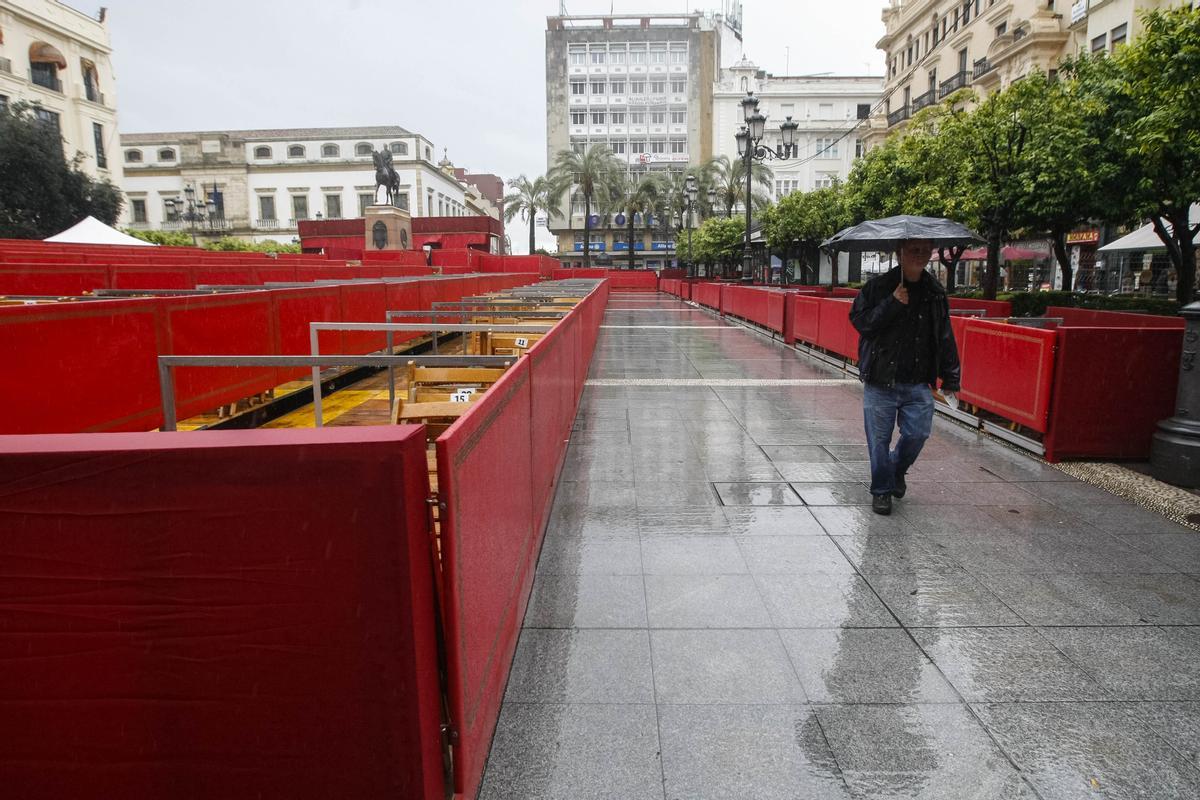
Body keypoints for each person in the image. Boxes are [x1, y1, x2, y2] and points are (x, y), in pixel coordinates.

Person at [849, 239, 962, 515]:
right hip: (880, 379)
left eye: (925, 250)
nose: (920, 255)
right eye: (914, 250)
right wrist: (892, 303)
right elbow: (861, 322)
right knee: (878, 439)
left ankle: (896, 470)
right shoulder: (878, 287)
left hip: (917, 381)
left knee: (918, 433)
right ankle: (882, 490)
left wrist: (951, 378)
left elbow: (945, 336)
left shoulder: (934, 292)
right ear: (900, 252)